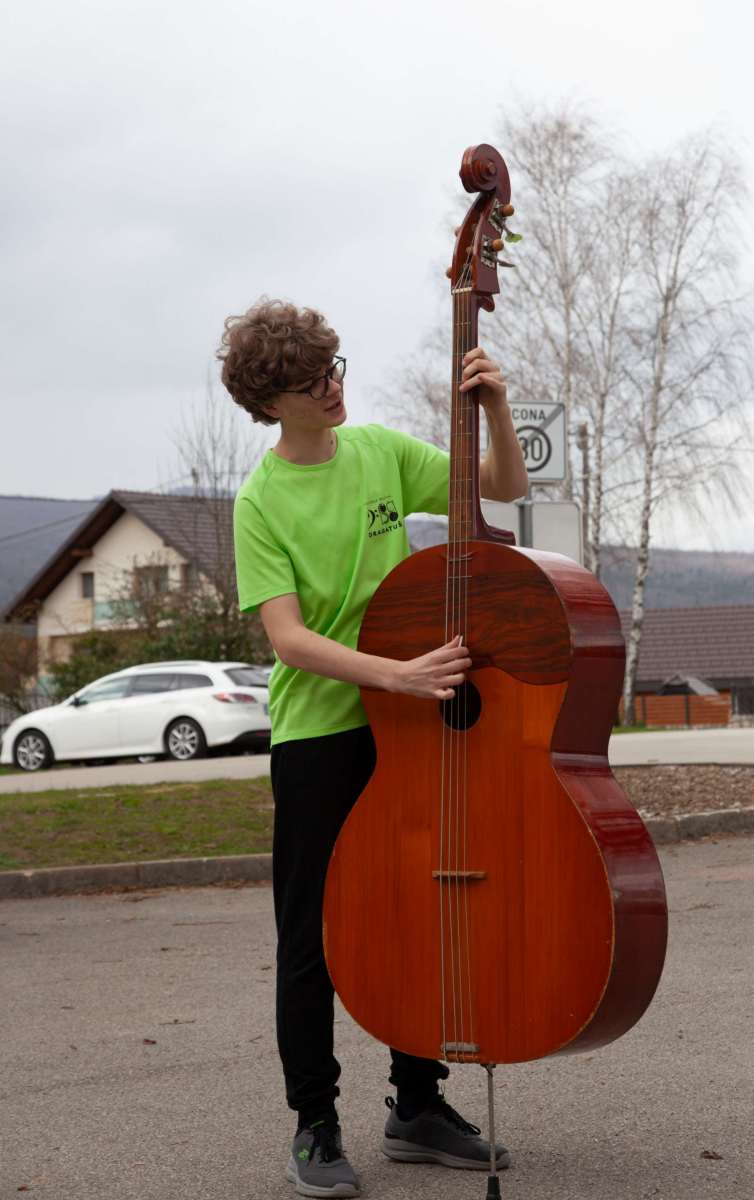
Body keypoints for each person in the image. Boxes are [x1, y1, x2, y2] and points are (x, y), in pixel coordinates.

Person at [220, 298, 529, 1198]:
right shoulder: (259, 501)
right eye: (311, 382)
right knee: (311, 937)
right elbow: (289, 640)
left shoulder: (382, 450)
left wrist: (497, 406)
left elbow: (501, 487)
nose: (333, 387)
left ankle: (417, 1106)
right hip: (320, 735)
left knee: (421, 912)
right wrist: (395, 675)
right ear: (271, 403)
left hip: (410, 724)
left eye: (335, 367)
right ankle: (315, 1125)